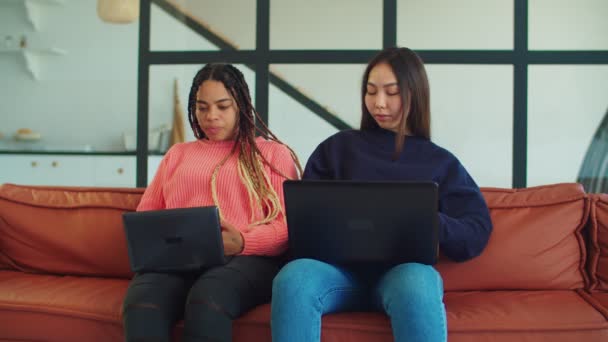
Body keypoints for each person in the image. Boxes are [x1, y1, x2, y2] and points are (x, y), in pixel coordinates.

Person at [271, 47, 493, 342]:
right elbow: (303, 222)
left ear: (415, 94)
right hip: (335, 275)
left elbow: (476, 230)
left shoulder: (440, 162)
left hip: (402, 276)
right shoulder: (337, 149)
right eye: (371, 91)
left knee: (417, 281)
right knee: (294, 278)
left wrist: (430, 220)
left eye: (391, 92)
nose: (379, 103)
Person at [122, 63, 301, 342]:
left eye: (222, 106)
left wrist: (243, 241)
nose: (211, 116)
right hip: (175, 261)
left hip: (247, 260)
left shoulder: (271, 154)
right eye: (202, 107)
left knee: (206, 300)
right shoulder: (178, 153)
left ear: (241, 106)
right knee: (141, 305)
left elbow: (288, 226)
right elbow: (146, 216)